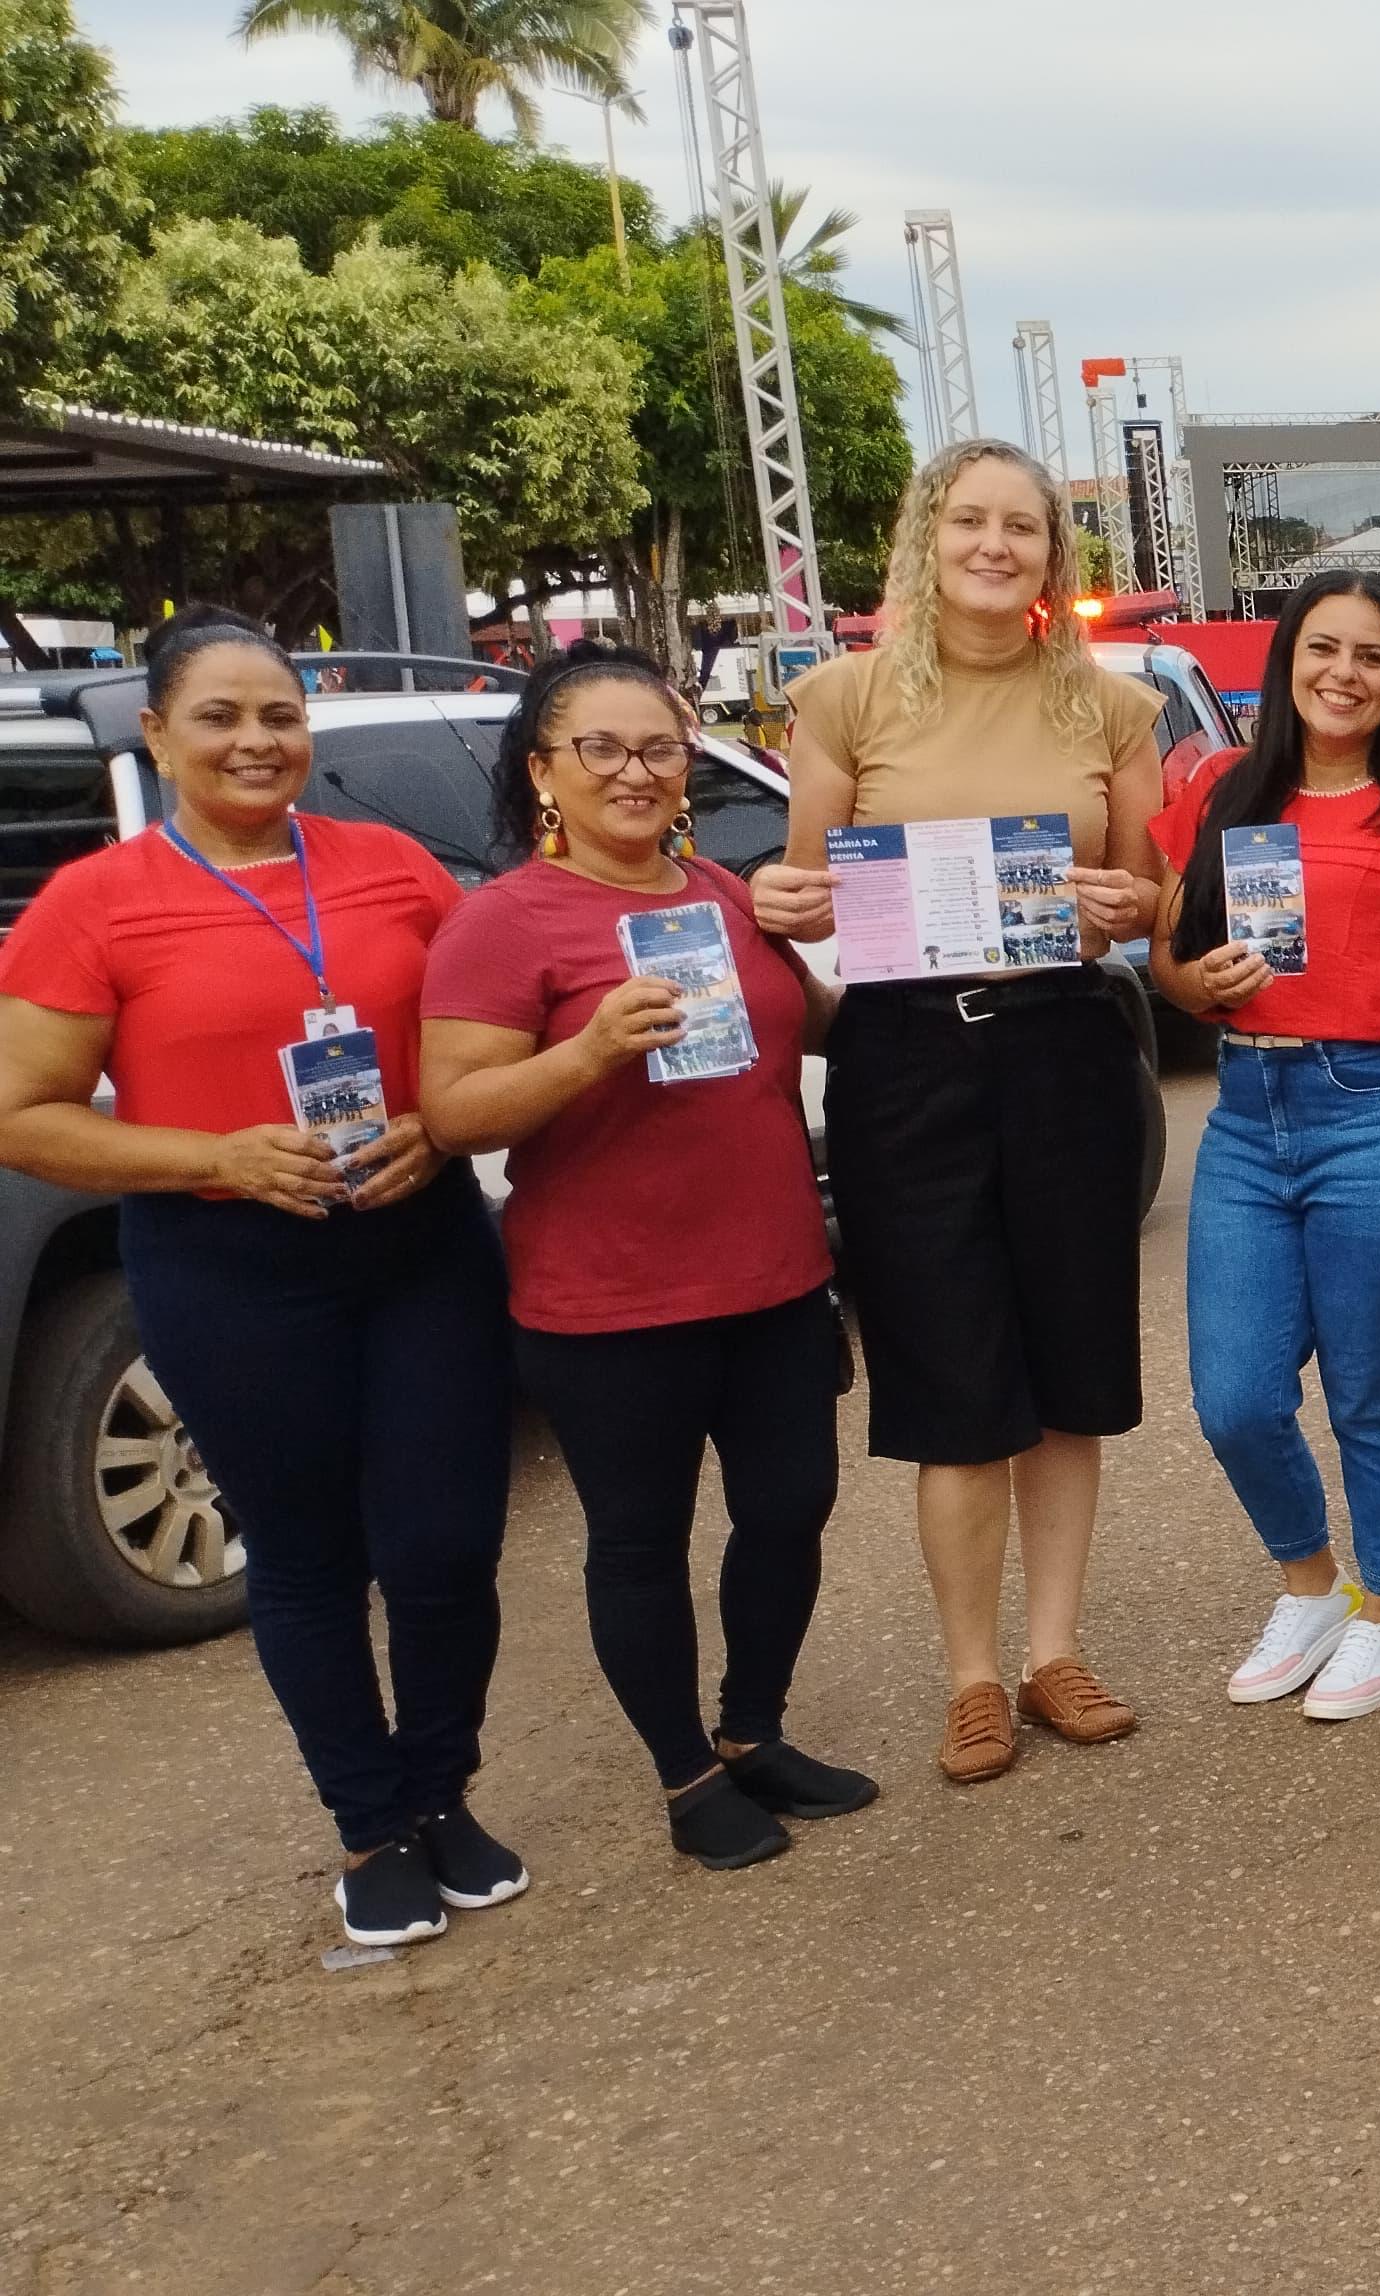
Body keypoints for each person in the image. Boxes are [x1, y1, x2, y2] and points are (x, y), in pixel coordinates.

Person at [0, 610, 515, 1948]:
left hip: (420, 1238)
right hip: (230, 1258)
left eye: (278, 715)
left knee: (447, 1543)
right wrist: (209, 1152)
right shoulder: (95, 905)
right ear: (160, 736)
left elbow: (475, 1029)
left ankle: (443, 1792)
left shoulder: (393, 865)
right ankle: (370, 1827)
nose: (254, 741)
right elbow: (23, 1113)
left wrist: (437, 1120)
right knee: (306, 1556)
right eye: (219, 718)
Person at [749, 439, 1174, 1784]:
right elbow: (804, 884)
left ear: (1055, 554)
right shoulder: (846, 697)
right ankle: (972, 1679)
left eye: (1024, 529)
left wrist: (1127, 905)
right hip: (906, 1067)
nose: (997, 547)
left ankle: (1055, 1654)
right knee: (948, 1381)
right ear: (927, 538)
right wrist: (780, 898)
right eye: (971, 523)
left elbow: (1146, 892)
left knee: (1066, 1377)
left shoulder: (1110, 707)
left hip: (1061, 1054)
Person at [422, 644, 873, 1871]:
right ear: (543, 774)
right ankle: (684, 1774)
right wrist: (587, 1053)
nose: (635, 771)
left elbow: (812, 1022)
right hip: (610, 1300)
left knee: (790, 1509)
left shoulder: (722, 894)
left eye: (660, 747)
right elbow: (455, 1113)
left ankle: (753, 1730)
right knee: (640, 1537)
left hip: (775, 1276)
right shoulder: (501, 923)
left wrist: (900, 936)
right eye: (602, 749)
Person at [1148, 572, 1380, 1726]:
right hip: (1247, 1112)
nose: (1344, 673)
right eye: (1323, 649)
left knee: (1370, 1388)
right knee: (1235, 1395)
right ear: (1287, 660)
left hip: (1377, 1110)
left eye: (1373, 656)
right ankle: (1311, 1585)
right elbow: (1170, 962)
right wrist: (1200, 980)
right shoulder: (1226, 792)